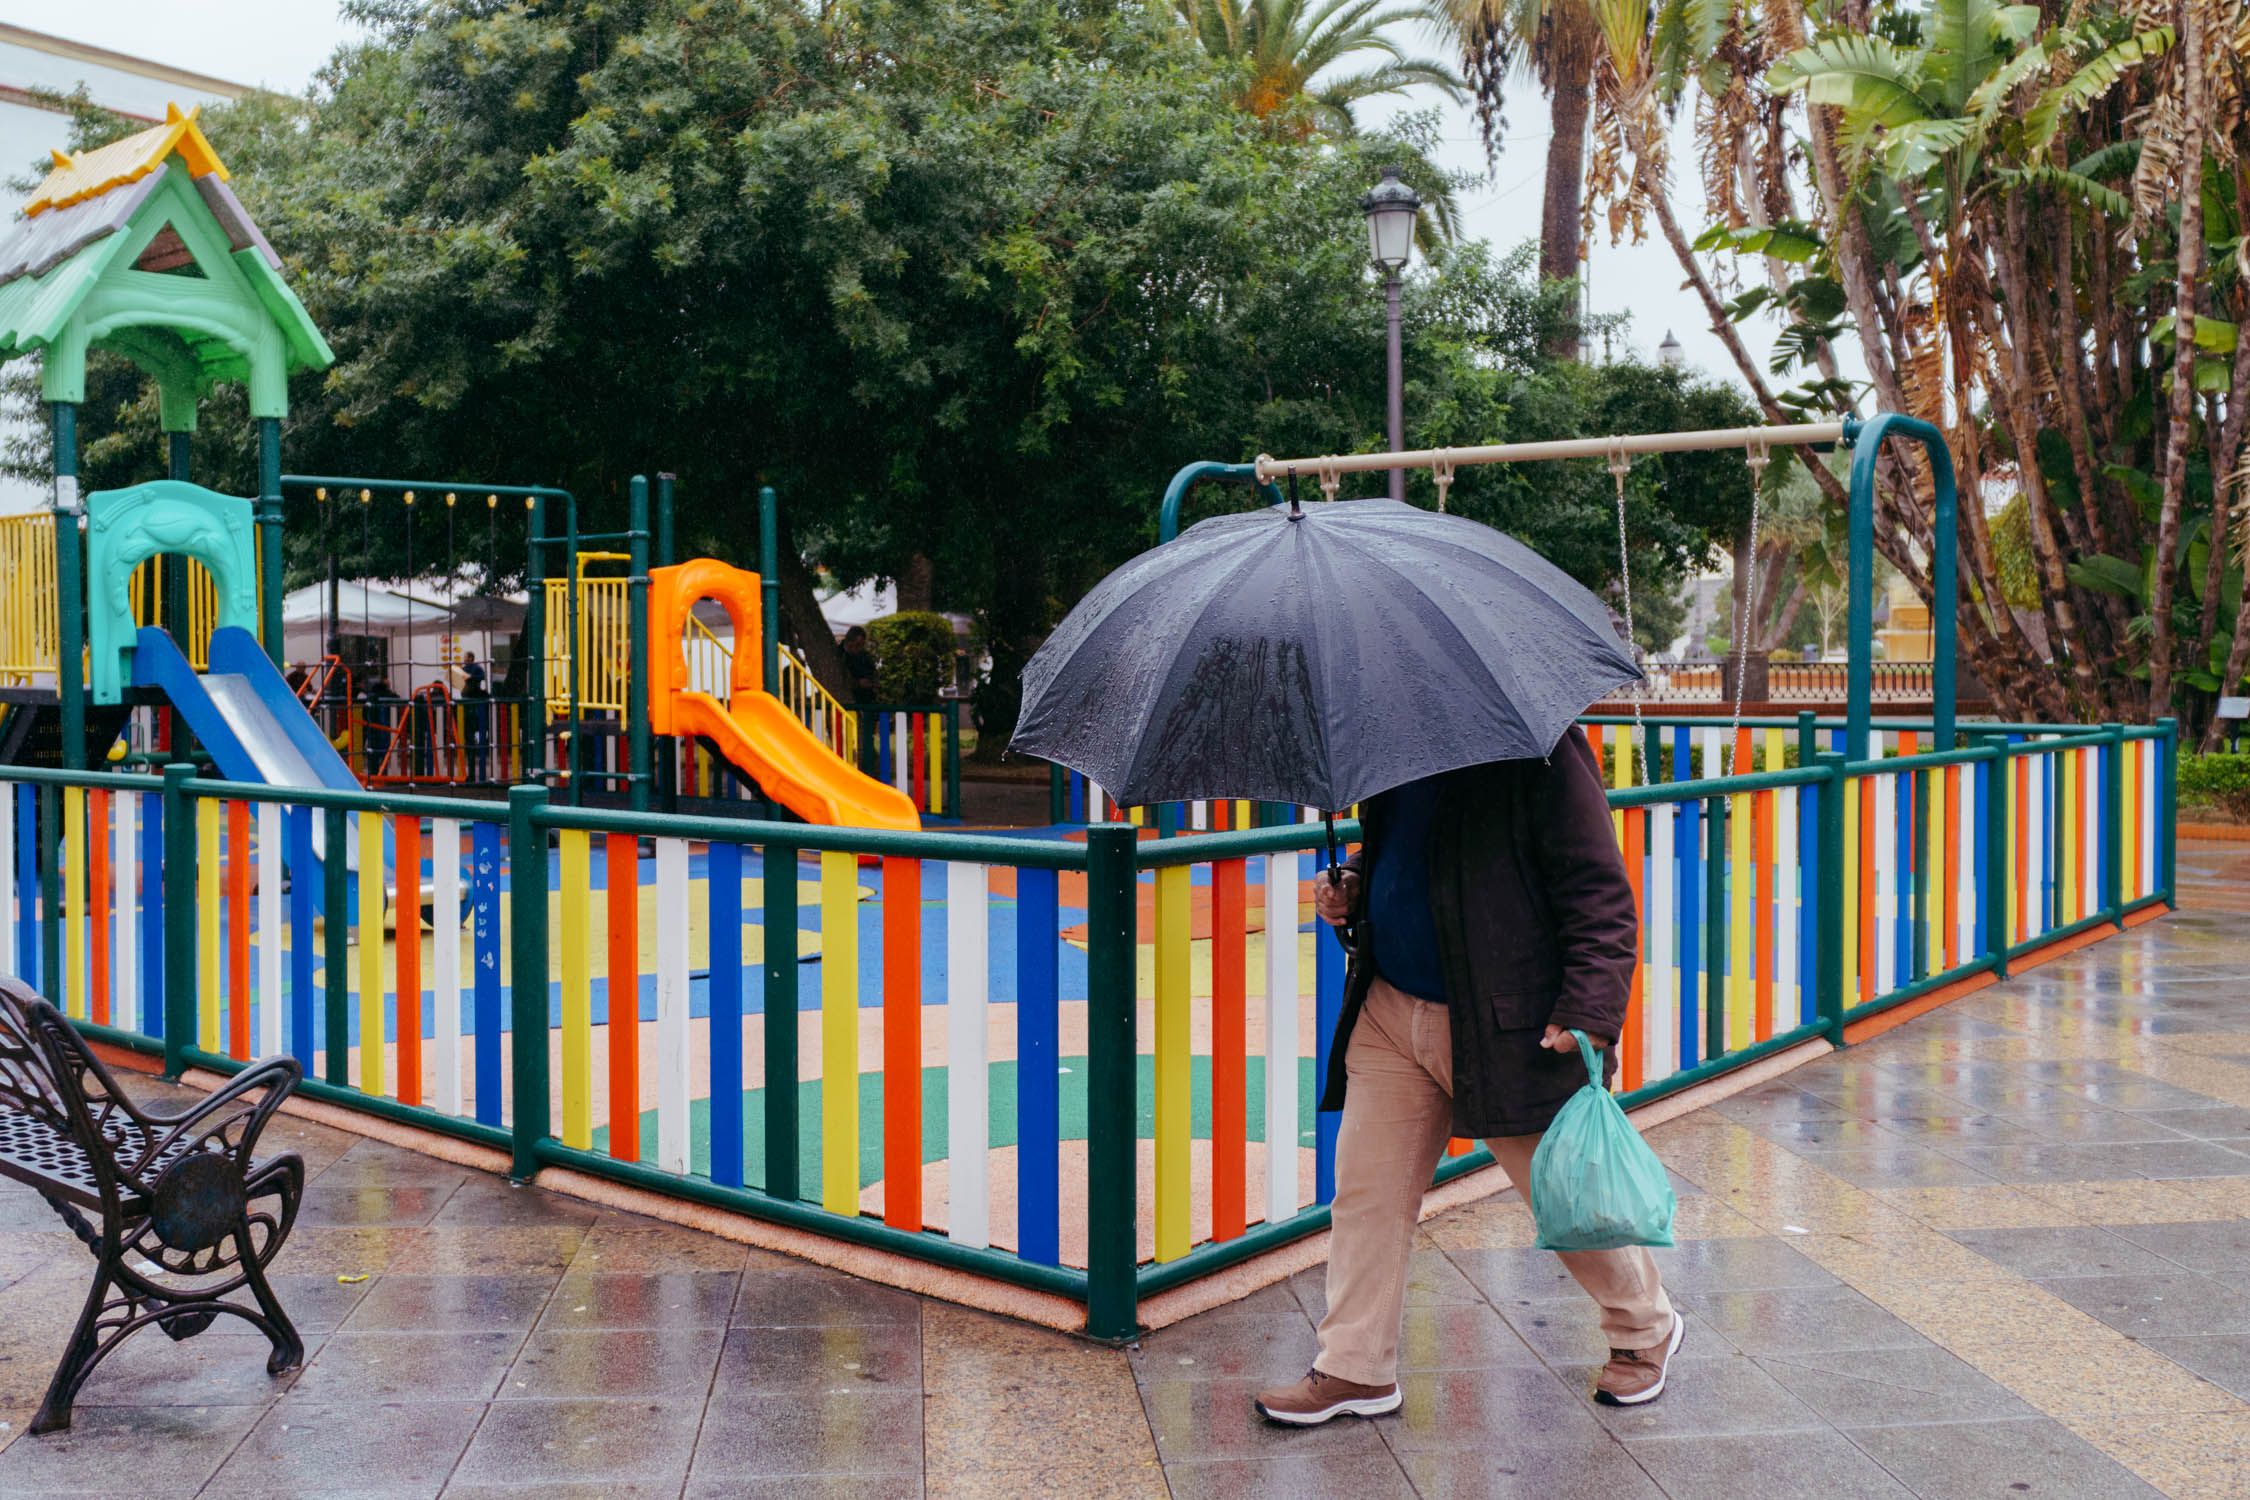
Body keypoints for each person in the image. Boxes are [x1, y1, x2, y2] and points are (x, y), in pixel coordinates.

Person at [1254, 727, 1679, 1425]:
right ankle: (1354, 1367)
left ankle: (1645, 1328)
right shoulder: (1394, 743)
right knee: (1368, 1195)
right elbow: (1407, 848)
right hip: (1391, 1009)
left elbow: (1598, 889)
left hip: (1503, 1023)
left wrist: (1592, 1011)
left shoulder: (1538, 744)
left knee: (1561, 1193)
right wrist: (1356, 881)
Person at [840, 626, 879, 704]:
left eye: (862, 645)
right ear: (849, 641)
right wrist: (858, 683)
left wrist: (872, 682)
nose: (860, 648)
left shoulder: (864, 656)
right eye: (858, 644)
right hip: (849, 700)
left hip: (866, 699)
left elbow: (873, 672)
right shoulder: (839, 655)